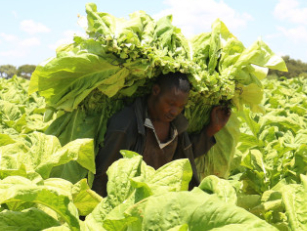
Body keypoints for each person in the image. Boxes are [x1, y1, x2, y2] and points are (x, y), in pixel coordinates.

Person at [92, 72, 231, 196]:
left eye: (180, 107)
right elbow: (104, 173)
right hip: (129, 205)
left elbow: (185, 156)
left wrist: (213, 129)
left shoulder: (176, 127)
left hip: (160, 205)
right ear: (156, 91)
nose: (174, 111)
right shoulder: (126, 125)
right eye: (170, 103)